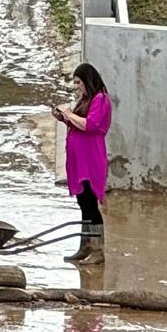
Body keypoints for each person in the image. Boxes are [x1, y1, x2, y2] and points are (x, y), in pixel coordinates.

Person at [49, 62, 113, 264]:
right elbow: (77, 122)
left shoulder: (100, 99)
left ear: (87, 81)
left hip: (91, 158)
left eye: (78, 82)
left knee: (91, 203)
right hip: (79, 159)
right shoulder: (86, 99)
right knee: (83, 202)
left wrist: (69, 114)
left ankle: (97, 250)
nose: (76, 86)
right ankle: (85, 246)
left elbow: (90, 125)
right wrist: (63, 118)